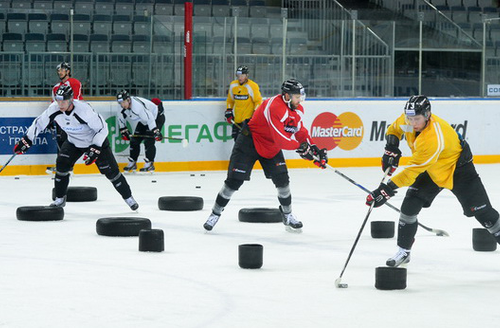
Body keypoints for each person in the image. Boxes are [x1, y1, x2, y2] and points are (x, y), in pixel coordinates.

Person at [366, 95, 500, 267]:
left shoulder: (433, 137)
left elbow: (412, 171)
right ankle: (403, 252)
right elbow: (394, 129)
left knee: (485, 215)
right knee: (409, 205)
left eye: (417, 119)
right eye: (410, 118)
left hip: (458, 171)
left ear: (427, 114)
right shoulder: (408, 119)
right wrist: (391, 147)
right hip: (432, 169)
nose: (413, 122)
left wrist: (386, 189)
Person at [203, 79, 328, 232]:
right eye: (297, 97)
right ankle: (215, 213)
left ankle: (287, 215)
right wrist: (301, 148)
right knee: (233, 182)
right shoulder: (274, 107)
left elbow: (300, 131)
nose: (300, 100)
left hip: (270, 146)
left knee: (283, 181)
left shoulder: (298, 109)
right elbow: (281, 140)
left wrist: (314, 148)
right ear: (287, 96)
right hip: (249, 143)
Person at [14, 85, 139, 211]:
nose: (60, 104)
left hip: (95, 142)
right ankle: (59, 199)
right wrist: (27, 139)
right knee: (61, 164)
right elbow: (39, 123)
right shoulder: (54, 109)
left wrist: (95, 148)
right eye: (58, 100)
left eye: (64, 101)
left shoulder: (83, 110)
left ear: (71, 100)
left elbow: (103, 128)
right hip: (73, 142)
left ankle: (129, 198)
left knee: (112, 173)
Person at [47, 62, 84, 173]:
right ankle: (61, 166)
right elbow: (54, 105)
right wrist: (51, 118)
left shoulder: (74, 83)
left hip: (74, 117)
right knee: (60, 140)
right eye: (59, 70)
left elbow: (76, 101)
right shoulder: (56, 88)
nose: (60, 72)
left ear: (68, 71)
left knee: (70, 142)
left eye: (62, 70)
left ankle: (68, 166)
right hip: (61, 118)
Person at [116, 90, 165, 173]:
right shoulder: (122, 107)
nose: (122, 105)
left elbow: (150, 118)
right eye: (120, 103)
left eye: (124, 102)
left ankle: (150, 164)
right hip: (143, 120)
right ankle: (133, 162)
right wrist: (123, 130)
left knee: (149, 141)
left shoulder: (137, 107)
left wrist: (155, 131)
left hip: (156, 118)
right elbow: (120, 118)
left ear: (128, 100)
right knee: (134, 140)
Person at [225, 65, 263, 140]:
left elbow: (258, 101)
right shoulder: (233, 85)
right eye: (238, 75)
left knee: (246, 142)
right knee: (237, 141)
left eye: (242, 75)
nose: (240, 78)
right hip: (237, 120)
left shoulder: (252, 86)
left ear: (247, 75)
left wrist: (255, 114)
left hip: (248, 121)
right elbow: (230, 100)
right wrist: (229, 110)